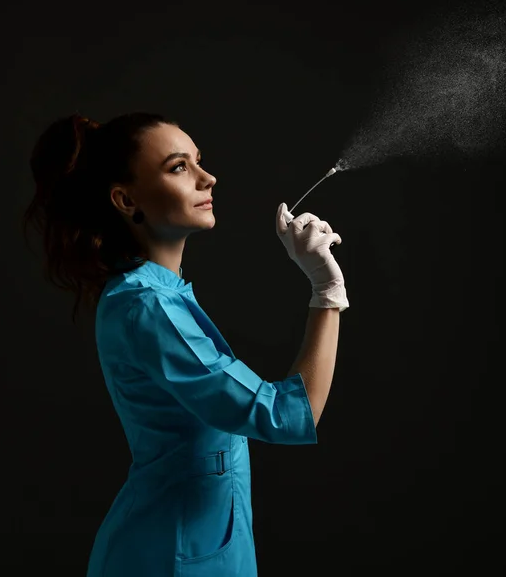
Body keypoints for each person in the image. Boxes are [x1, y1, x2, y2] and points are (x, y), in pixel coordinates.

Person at [23, 111, 350, 576]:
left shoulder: (159, 295)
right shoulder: (148, 307)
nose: (208, 177)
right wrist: (326, 292)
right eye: (179, 167)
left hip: (197, 546)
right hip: (169, 558)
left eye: (199, 161)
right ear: (125, 199)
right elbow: (285, 414)